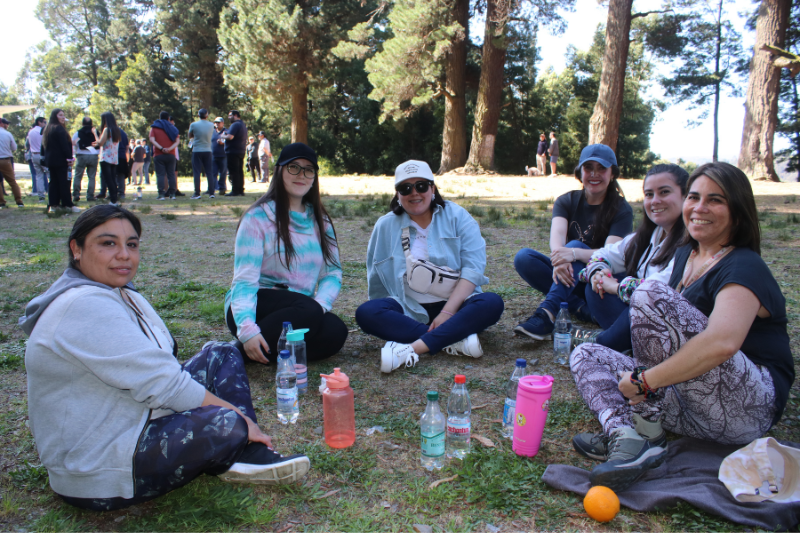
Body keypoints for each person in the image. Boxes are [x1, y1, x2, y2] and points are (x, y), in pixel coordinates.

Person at [20, 205, 311, 512]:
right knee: (225, 421)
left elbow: (162, 367)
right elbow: (166, 385)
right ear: (76, 249)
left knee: (221, 353)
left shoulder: (119, 292)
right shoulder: (82, 305)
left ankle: (240, 451)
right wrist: (241, 421)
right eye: (108, 243)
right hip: (99, 466)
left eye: (131, 244)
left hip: (131, 416)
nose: (124, 255)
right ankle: (240, 443)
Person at [570, 162, 795, 492]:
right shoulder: (684, 256)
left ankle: (644, 424)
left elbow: (722, 343)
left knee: (646, 291)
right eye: (694, 197)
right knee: (586, 354)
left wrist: (643, 381)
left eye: (715, 200)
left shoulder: (745, 265)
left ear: (738, 210)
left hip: (745, 410)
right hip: (686, 405)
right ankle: (631, 437)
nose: (700, 208)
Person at [355, 160, 504, 373]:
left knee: (491, 303)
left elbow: (473, 269)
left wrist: (448, 313)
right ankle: (454, 339)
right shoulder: (385, 225)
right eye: (405, 188)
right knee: (366, 313)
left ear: (433, 189)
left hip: (457, 305)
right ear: (397, 194)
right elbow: (376, 275)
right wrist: (384, 315)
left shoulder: (458, 216)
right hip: (408, 308)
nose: (414, 193)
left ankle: (414, 347)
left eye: (421, 186)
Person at [226, 143, 347, 364]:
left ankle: (261, 352)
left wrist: (320, 307)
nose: (301, 175)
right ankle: (236, 352)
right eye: (294, 167)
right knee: (308, 309)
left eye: (309, 169)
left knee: (336, 330)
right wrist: (247, 330)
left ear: (314, 177)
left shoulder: (321, 220)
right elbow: (244, 282)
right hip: (257, 306)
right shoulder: (257, 218)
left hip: (300, 311)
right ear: (279, 170)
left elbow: (333, 273)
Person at [513, 144, 633, 340]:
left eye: (602, 168)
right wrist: (563, 257)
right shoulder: (566, 201)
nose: (594, 174)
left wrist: (574, 253)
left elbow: (611, 254)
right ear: (580, 172)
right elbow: (557, 239)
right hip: (570, 275)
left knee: (575, 246)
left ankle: (546, 314)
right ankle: (579, 308)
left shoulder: (622, 209)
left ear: (612, 174)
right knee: (524, 258)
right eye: (589, 168)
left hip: (601, 280)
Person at [572, 164, 689, 352]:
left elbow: (658, 292)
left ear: (686, 196)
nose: (655, 201)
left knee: (639, 307)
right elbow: (602, 254)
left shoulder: (690, 244)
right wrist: (598, 272)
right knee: (594, 288)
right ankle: (627, 343)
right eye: (649, 194)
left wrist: (616, 287)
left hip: (665, 324)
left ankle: (604, 343)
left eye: (664, 192)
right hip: (636, 316)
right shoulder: (647, 236)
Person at [42, 109, 79, 214]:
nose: (63, 117)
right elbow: (64, 146)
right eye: (60, 115)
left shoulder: (48, 129)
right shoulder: (59, 129)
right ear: (55, 116)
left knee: (53, 182)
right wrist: (70, 158)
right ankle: (68, 204)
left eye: (64, 115)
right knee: (64, 182)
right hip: (60, 160)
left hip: (51, 160)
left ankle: (53, 205)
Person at [93, 112, 122, 206]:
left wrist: (95, 134)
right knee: (113, 179)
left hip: (106, 157)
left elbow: (101, 143)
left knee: (108, 179)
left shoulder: (106, 129)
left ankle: (113, 200)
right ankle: (115, 199)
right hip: (114, 158)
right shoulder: (117, 130)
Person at [149, 111, 180, 200]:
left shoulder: (154, 128)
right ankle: (172, 194)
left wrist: (161, 148)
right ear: (168, 118)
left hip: (158, 154)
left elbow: (152, 140)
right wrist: (170, 149)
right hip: (171, 154)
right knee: (171, 174)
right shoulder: (173, 128)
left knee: (160, 174)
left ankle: (161, 194)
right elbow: (177, 141)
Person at [188, 108, 215, 199]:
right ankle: (212, 192)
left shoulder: (193, 125)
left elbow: (190, 135)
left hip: (197, 150)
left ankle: (197, 193)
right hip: (208, 150)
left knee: (197, 172)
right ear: (207, 116)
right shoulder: (211, 125)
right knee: (209, 172)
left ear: (198, 115)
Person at [71, 117, 99, 203]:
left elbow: (73, 143)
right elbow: (100, 143)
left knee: (78, 175)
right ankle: (90, 195)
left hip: (82, 154)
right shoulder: (96, 132)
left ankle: (76, 194)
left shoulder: (78, 132)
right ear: (91, 123)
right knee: (91, 176)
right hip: (93, 155)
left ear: (82, 124)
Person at [0, 117, 24, 209]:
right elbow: (14, 148)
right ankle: (19, 201)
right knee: (12, 182)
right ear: (2, 124)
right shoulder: (7, 133)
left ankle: (1, 202)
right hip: (6, 160)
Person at [223, 110, 247, 197]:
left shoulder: (235, 124)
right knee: (239, 171)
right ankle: (240, 190)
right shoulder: (242, 125)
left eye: (230, 115)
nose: (229, 117)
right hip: (241, 150)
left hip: (233, 151)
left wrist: (223, 136)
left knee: (234, 171)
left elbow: (230, 137)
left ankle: (235, 190)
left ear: (236, 115)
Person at [27, 117, 48, 202]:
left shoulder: (31, 132)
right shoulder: (43, 132)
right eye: (44, 122)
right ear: (39, 122)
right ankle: (51, 193)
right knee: (49, 174)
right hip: (43, 154)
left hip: (34, 154)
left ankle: (41, 196)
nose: (45, 124)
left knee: (39, 176)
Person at [212, 117, 228, 194]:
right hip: (213, 155)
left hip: (223, 155)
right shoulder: (212, 131)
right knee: (213, 172)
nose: (217, 124)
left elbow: (230, 140)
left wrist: (223, 143)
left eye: (218, 122)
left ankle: (222, 188)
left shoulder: (226, 131)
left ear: (223, 123)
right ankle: (213, 188)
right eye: (215, 122)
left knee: (223, 173)